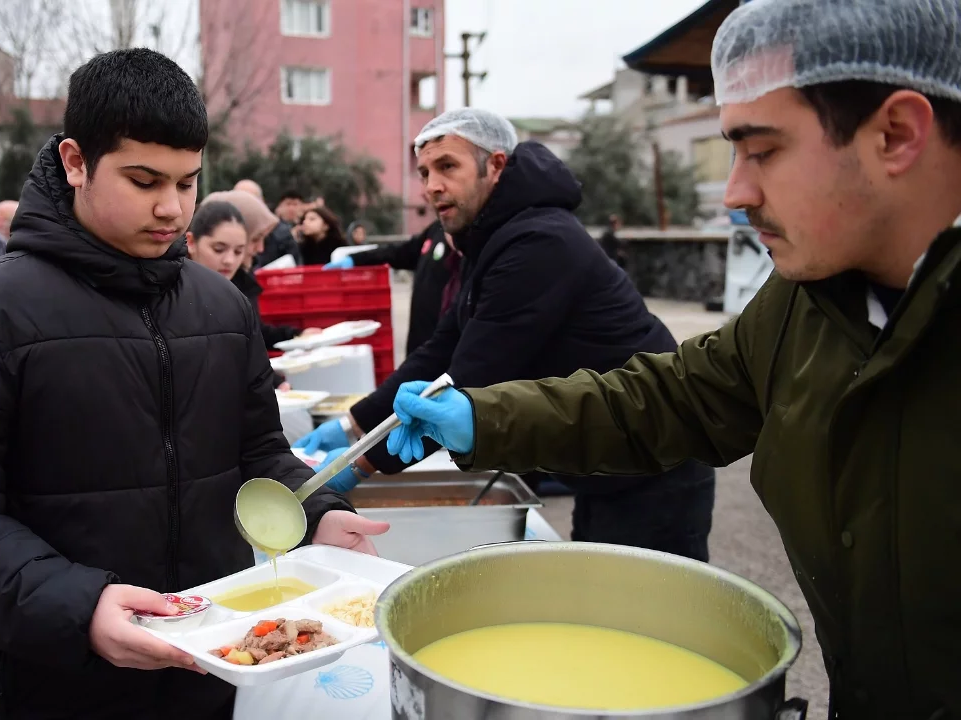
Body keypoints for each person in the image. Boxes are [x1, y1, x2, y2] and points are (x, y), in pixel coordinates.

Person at [386, 1, 961, 716]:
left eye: (763, 150)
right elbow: (677, 397)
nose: (737, 192)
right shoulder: (806, 302)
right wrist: (485, 417)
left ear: (896, 134)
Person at [0, 48, 385, 720]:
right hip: (46, 683)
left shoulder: (222, 307)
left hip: (209, 666)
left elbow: (259, 454)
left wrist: (316, 513)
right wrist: (79, 605)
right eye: (144, 180)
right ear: (75, 162)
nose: (172, 208)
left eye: (187, 182)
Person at [297, 107, 717, 562]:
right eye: (424, 172)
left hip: (655, 462)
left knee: (637, 600)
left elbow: (473, 376)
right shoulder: (494, 239)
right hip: (602, 460)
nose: (432, 185)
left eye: (448, 166)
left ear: (495, 165)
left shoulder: (540, 242)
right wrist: (352, 424)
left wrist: (357, 467)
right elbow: (440, 349)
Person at [201, 190, 320, 349]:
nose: (260, 248)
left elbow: (254, 331)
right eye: (255, 239)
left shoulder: (243, 276)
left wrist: (295, 335)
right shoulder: (214, 286)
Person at [326, 217, 460, 355]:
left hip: (448, 347)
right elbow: (400, 252)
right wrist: (357, 259)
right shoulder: (435, 229)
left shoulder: (466, 241)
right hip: (421, 343)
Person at [184, 200, 248, 279]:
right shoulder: (173, 283)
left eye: (238, 251)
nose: (229, 260)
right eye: (218, 249)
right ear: (191, 242)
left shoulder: (246, 284)